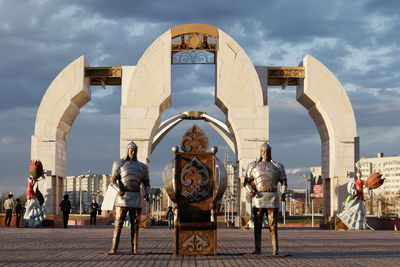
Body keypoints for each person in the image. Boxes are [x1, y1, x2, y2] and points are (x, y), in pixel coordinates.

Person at [107, 141, 150, 255]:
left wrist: (146, 194)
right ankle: (114, 248)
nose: (133, 152)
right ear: (127, 150)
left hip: (136, 198)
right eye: (131, 150)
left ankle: (135, 249)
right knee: (118, 224)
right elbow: (112, 181)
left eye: (135, 150)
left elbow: (147, 183)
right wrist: (118, 190)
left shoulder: (142, 167)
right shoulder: (119, 163)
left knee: (135, 226)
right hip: (123, 198)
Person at [244, 142, 287, 255]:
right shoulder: (253, 166)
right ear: (260, 152)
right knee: (257, 225)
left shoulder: (278, 166)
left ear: (270, 152)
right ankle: (258, 249)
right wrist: (251, 191)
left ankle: (275, 249)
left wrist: (283, 193)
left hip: (272, 197)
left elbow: (283, 181)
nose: (265, 153)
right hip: (259, 198)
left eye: (267, 151)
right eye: (263, 151)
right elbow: (246, 182)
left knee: (273, 226)